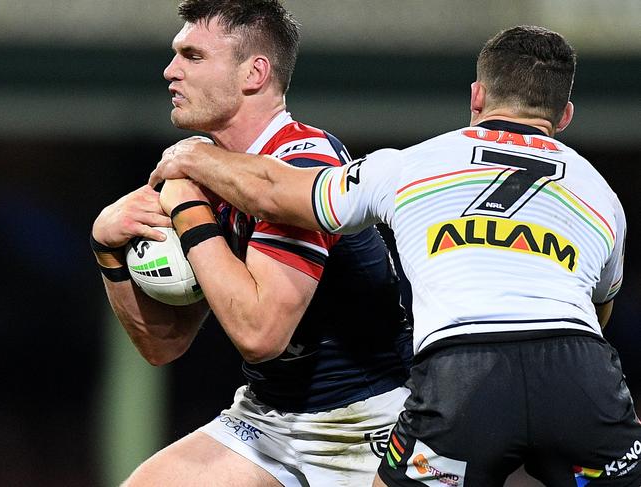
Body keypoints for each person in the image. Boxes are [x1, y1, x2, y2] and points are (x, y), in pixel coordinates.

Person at [149, 25, 641, 486]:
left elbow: (277, 192)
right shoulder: (602, 195)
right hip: (578, 374)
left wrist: (191, 157)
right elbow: (599, 310)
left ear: (477, 96)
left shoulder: (412, 164)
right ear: (566, 115)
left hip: (465, 376)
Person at [91, 1, 413, 486]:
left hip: (370, 424)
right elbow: (163, 345)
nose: (170, 70)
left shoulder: (303, 167)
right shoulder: (206, 170)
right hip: (269, 418)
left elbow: (261, 335)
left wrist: (185, 203)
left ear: (255, 72)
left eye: (193, 56)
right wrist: (107, 250)